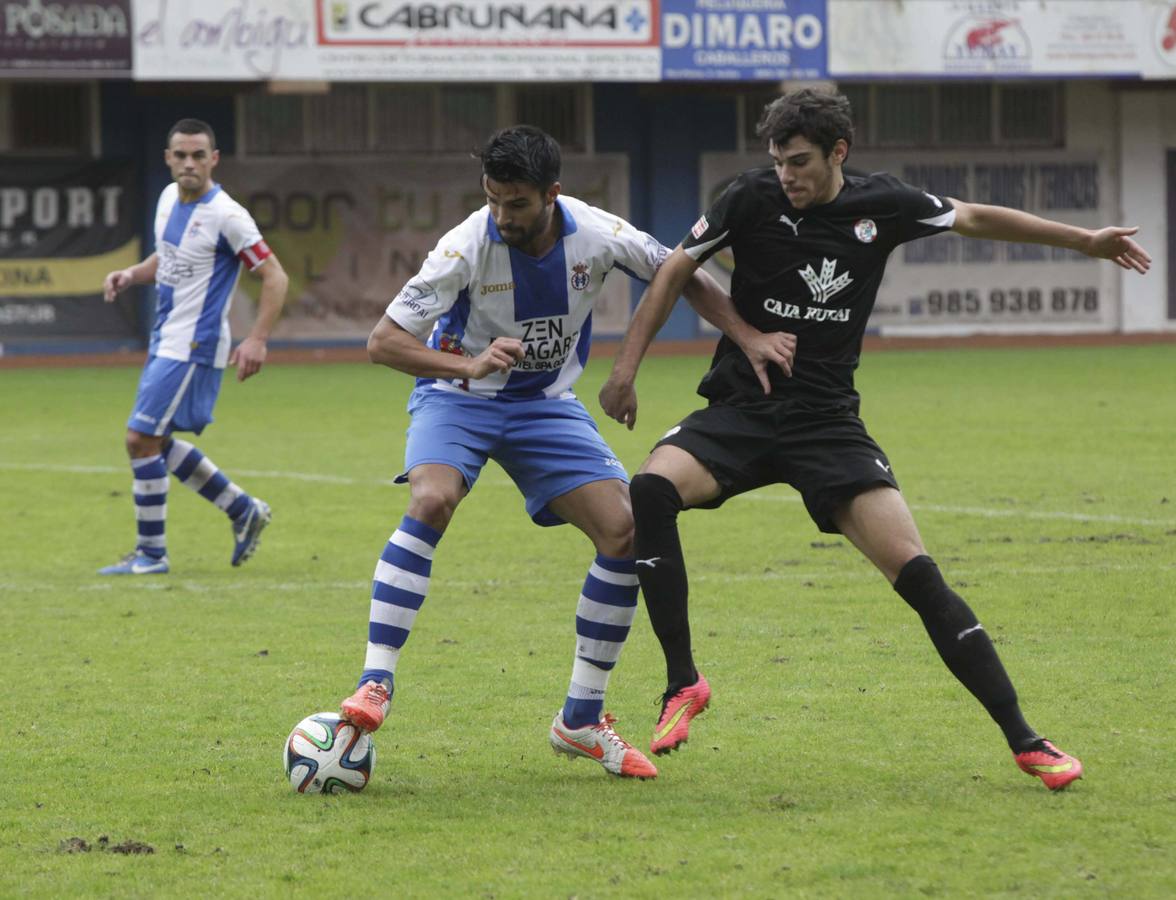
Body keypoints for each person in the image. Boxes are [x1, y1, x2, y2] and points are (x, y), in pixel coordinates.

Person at [599, 89, 1151, 790]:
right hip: (743, 407)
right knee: (650, 489)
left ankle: (1028, 740)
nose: (787, 176)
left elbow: (975, 216)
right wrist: (625, 370)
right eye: (777, 162)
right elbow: (676, 268)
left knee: (917, 573)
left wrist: (1085, 240)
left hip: (826, 422)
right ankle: (684, 682)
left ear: (838, 153)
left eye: (799, 162)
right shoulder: (748, 199)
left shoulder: (881, 205)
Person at [337, 125, 733, 780]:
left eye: (515, 203)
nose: (501, 216)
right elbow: (382, 343)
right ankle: (375, 683)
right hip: (457, 397)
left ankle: (580, 718)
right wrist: (466, 366)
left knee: (626, 529)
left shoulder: (600, 234)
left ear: (552, 194)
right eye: (492, 200)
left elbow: (681, 274)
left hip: (545, 406)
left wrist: (747, 336)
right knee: (432, 497)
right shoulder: (463, 247)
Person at [99, 118, 288, 575]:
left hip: (194, 345)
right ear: (168, 159)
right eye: (180, 155)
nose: (188, 163)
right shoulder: (168, 199)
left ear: (214, 160)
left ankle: (151, 556)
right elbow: (168, 259)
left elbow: (275, 276)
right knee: (154, 440)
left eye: (198, 155)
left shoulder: (227, 216)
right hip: (167, 340)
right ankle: (243, 509)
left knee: (139, 439)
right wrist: (131, 274)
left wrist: (257, 338)